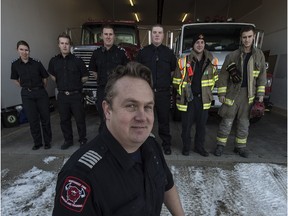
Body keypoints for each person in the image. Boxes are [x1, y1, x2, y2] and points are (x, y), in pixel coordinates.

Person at [52, 61, 185, 216]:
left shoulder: (151, 145)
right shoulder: (81, 177)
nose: (142, 117)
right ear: (108, 110)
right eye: (131, 106)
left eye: (148, 107)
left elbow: (166, 184)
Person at [214, 25, 267, 158]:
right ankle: (220, 146)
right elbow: (223, 76)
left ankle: (240, 147)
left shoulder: (259, 55)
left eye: (249, 37)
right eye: (244, 37)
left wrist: (260, 94)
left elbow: (262, 76)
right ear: (241, 39)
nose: (247, 40)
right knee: (227, 121)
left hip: (248, 95)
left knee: (244, 123)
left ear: (253, 37)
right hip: (233, 93)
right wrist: (221, 93)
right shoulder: (232, 56)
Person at [172, 34, 218, 157]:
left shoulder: (211, 61)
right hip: (189, 99)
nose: (200, 45)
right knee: (186, 126)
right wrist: (184, 91)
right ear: (193, 45)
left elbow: (214, 79)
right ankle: (186, 147)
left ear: (204, 45)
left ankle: (199, 147)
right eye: (197, 42)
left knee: (202, 126)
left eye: (202, 42)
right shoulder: (183, 61)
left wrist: (207, 92)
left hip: (203, 99)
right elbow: (176, 81)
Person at [137, 24, 177, 155]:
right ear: (151, 34)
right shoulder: (143, 52)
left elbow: (172, 71)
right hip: (146, 93)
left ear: (163, 35)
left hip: (163, 93)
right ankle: (142, 144)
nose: (157, 35)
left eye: (160, 32)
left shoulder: (169, 53)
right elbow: (138, 71)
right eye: (154, 32)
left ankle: (166, 144)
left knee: (164, 120)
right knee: (144, 119)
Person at [48, 33, 89, 150]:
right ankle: (68, 140)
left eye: (67, 43)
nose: (64, 46)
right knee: (64, 120)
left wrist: (76, 84)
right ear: (58, 45)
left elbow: (85, 76)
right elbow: (52, 75)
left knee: (80, 119)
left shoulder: (78, 60)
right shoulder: (54, 61)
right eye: (62, 43)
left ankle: (82, 139)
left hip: (76, 95)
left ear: (70, 45)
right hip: (62, 96)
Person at [11, 40, 52, 150]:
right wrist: (24, 87)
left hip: (40, 92)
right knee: (33, 120)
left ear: (29, 51)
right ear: (17, 50)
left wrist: (39, 89)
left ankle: (47, 142)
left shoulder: (36, 62)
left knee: (45, 118)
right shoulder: (15, 64)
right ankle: (37, 142)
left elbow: (45, 77)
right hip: (27, 95)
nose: (24, 52)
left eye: (26, 50)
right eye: (22, 50)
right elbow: (14, 78)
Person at [89, 24, 129, 133]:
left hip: (117, 91)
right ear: (101, 36)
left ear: (114, 36)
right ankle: (104, 139)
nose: (108, 36)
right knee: (103, 116)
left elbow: (126, 72)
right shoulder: (96, 53)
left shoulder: (121, 53)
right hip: (102, 89)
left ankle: (117, 139)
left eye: (110, 34)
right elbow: (93, 71)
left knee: (117, 116)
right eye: (106, 34)